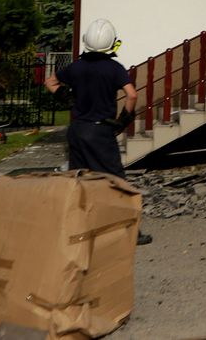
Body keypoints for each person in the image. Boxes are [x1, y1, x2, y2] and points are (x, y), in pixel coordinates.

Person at [45, 18, 151, 245]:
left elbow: (51, 82)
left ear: (87, 42)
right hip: (100, 131)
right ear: (112, 43)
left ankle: (77, 230)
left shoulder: (76, 67)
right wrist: (123, 120)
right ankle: (131, 231)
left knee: (79, 179)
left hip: (77, 130)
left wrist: (69, 99)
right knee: (115, 180)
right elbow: (132, 95)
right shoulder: (114, 69)